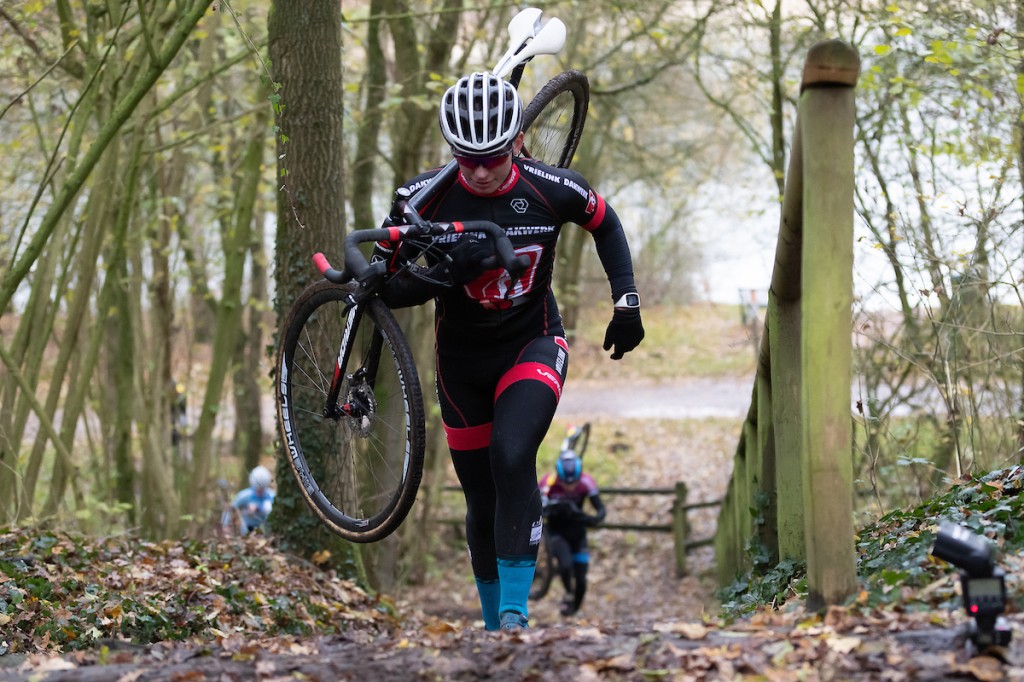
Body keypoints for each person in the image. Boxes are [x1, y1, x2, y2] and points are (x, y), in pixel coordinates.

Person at [375, 72, 644, 632]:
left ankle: (518, 617)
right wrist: (447, 272)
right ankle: (495, 625)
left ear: (518, 141)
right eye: (465, 157)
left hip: (534, 342)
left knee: (512, 454)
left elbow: (607, 223)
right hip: (460, 363)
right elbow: (388, 291)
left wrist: (627, 301)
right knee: (480, 497)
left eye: (492, 156)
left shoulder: (553, 186)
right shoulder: (421, 199)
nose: (477, 170)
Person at [538, 445, 606, 616]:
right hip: (556, 533)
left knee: (582, 581)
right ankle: (568, 595)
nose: (570, 486)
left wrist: (588, 518)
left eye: (573, 483)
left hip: (578, 534)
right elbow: (535, 508)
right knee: (566, 565)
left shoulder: (586, 482)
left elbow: (600, 511)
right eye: (566, 483)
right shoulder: (548, 483)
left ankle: (573, 609)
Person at [229, 465, 275, 535]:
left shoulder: (272, 496)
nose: (259, 491)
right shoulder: (244, 496)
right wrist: (226, 526)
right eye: (257, 489)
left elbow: (273, 511)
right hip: (247, 531)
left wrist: (258, 509)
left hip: (267, 531)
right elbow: (230, 509)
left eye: (262, 489)